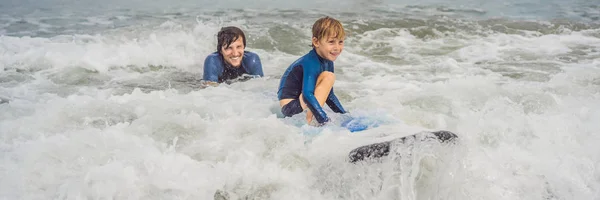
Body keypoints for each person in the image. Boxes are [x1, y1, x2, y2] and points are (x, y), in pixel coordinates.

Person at [277, 16, 347, 126]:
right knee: (328, 76)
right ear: (316, 42)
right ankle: (313, 122)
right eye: (331, 42)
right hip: (290, 108)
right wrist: (323, 120)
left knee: (328, 76)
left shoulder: (328, 62)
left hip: (300, 104)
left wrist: (345, 116)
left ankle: (314, 119)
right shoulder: (310, 62)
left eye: (341, 42)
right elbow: (306, 94)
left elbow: (329, 95)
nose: (337, 48)